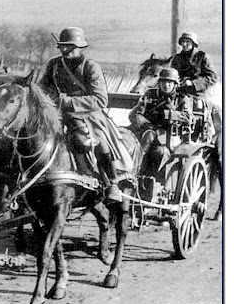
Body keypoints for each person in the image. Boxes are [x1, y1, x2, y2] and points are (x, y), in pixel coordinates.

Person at [38, 27, 133, 203]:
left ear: (79, 47)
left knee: (96, 141)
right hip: (57, 114)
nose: (64, 50)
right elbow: (43, 88)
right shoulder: (54, 64)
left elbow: (100, 99)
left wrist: (68, 102)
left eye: (69, 47)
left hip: (88, 116)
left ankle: (112, 183)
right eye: (62, 46)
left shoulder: (90, 67)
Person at [129, 67, 193, 177]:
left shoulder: (181, 98)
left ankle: (141, 175)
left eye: (170, 82)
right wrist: (145, 124)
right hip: (147, 130)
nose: (166, 85)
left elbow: (187, 117)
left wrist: (168, 114)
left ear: (175, 84)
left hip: (169, 136)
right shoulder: (149, 95)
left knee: (159, 151)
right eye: (164, 81)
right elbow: (134, 114)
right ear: (159, 82)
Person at [170, 31, 220, 140]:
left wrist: (194, 83)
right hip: (181, 91)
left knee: (205, 111)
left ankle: (205, 135)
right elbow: (172, 74)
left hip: (199, 93)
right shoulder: (177, 58)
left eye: (187, 42)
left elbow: (213, 77)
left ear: (193, 43)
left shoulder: (203, 57)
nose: (184, 44)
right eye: (183, 42)